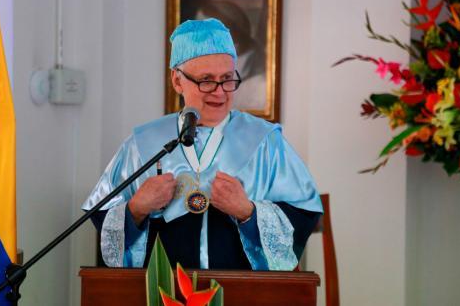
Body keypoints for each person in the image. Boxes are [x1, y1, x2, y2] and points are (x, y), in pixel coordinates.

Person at [82, 18, 322, 271]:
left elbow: (304, 214)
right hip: (163, 291)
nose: (220, 92)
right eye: (206, 80)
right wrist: (137, 208)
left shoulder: (265, 142)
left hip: (243, 291)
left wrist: (248, 212)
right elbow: (102, 217)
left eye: (228, 79)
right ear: (177, 81)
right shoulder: (143, 144)